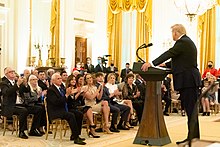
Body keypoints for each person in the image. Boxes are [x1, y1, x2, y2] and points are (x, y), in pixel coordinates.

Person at [141, 24, 201, 145]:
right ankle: (193, 137)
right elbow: (181, 60)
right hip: (189, 80)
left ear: (176, 32)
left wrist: (152, 63)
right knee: (191, 111)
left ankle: (192, 138)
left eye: (172, 33)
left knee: (191, 111)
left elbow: (169, 53)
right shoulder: (186, 42)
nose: (172, 35)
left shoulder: (182, 42)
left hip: (188, 81)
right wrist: (166, 65)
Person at [46, 73, 86, 145]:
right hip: (56, 111)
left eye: (60, 78)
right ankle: (76, 138)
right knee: (71, 115)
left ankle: (75, 135)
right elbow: (56, 102)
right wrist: (67, 95)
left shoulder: (61, 88)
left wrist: (71, 94)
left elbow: (67, 100)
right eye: (58, 79)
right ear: (53, 80)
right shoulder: (51, 90)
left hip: (63, 109)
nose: (60, 80)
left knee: (79, 114)